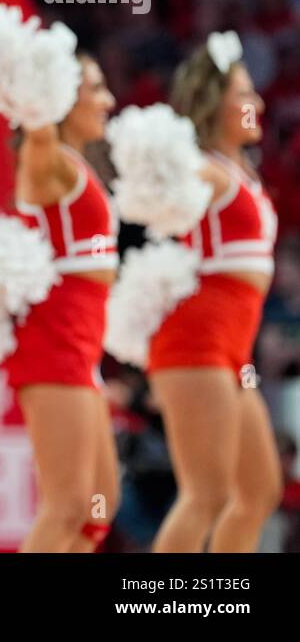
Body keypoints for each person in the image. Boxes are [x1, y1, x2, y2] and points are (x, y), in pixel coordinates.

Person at [147, 34, 282, 552]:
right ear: (213, 104)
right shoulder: (204, 168)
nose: (258, 104)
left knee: (258, 491)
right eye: (244, 95)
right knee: (206, 493)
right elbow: (161, 175)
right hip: (196, 341)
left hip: (233, 350)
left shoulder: (239, 172)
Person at [4, 53, 121, 552]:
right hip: (55, 344)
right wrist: (40, 79)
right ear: (62, 98)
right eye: (94, 89)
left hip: (83, 347)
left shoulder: (77, 165)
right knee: (68, 504)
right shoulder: (47, 161)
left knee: (97, 506)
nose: (107, 100)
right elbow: (36, 128)